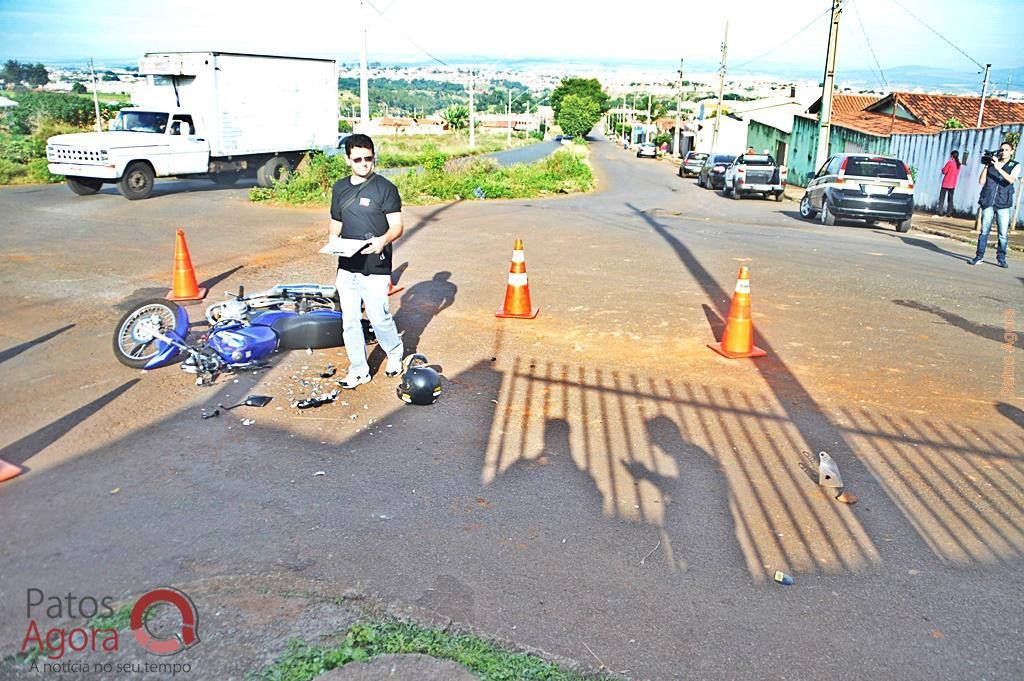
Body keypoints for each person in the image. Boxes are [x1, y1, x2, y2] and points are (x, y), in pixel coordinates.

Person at [329, 133, 405, 388]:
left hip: (376, 265)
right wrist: (332, 242)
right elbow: (335, 223)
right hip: (347, 265)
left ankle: (394, 353)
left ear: (374, 157)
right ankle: (359, 369)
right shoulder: (339, 188)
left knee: (378, 316)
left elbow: (397, 226)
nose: (364, 163)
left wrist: (383, 240)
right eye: (358, 159)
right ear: (347, 160)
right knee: (349, 320)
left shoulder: (386, 188)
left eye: (368, 158)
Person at [970, 141, 1020, 268]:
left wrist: (999, 168)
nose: (1003, 152)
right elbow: (981, 181)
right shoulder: (992, 164)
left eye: (1006, 150)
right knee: (984, 231)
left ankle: (1001, 258)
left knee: (1002, 234)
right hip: (988, 201)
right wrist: (987, 166)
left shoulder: (1015, 165)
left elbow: (1011, 180)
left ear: (1012, 152)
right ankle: (979, 256)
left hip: (1003, 203)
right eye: (1002, 149)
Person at [936, 150, 960, 217]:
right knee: (950, 199)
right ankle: (949, 213)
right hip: (953, 184)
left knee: (942, 198)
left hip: (946, 183)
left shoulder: (950, 162)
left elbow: (944, 171)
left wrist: (942, 169)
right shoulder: (958, 164)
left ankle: (940, 212)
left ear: (952, 156)